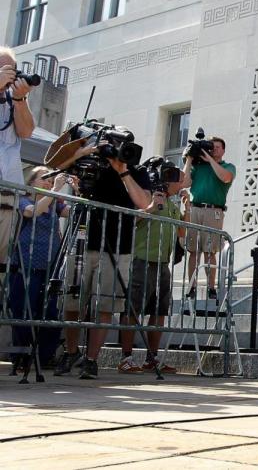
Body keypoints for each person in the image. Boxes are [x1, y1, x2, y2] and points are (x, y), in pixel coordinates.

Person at [53, 143, 152, 379]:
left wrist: (123, 171)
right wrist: (82, 153)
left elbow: (145, 203)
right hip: (81, 241)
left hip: (117, 246)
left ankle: (91, 359)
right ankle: (71, 351)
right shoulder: (89, 164)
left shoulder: (135, 170)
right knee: (72, 303)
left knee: (105, 305)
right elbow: (55, 167)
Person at [117, 164, 185, 374]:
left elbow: (182, 232)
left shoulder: (172, 205)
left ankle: (152, 358)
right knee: (132, 309)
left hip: (162, 263)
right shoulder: (146, 196)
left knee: (159, 311)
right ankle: (126, 357)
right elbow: (131, 220)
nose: (180, 182)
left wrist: (187, 206)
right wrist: (151, 207)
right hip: (141, 260)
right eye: (177, 178)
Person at [8, 168, 71, 370]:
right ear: (31, 182)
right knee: (23, 311)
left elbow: (72, 211)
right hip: (25, 266)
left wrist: (78, 191)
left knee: (51, 313)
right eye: (45, 179)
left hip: (50, 269)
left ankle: (44, 357)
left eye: (52, 179)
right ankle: (21, 356)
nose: (49, 182)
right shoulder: (23, 198)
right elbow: (32, 212)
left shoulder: (54, 202)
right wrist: (55, 189)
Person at [181, 136, 235, 302]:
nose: (214, 149)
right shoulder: (198, 166)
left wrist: (210, 159)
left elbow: (225, 177)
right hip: (195, 208)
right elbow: (183, 182)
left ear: (223, 150)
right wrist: (189, 159)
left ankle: (211, 287)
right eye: (212, 147)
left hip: (213, 211)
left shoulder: (228, 166)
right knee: (193, 251)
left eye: (218, 147)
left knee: (210, 252)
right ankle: (191, 287)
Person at [0, 47, 37, 270]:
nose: (9, 75)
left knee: (2, 266)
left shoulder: (13, 99)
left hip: (8, 198)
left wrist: (20, 98)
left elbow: (26, 131)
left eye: (11, 70)